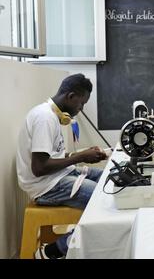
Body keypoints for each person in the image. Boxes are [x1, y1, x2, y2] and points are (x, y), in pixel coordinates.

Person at [16, 73, 108, 259]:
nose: (80, 109)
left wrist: (82, 155)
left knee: (108, 179)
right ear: (71, 96)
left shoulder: (52, 116)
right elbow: (39, 168)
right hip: (45, 187)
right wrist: (80, 156)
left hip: (57, 176)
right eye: (81, 103)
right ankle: (53, 251)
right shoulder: (45, 118)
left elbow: (53, 156)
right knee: (105, 203)